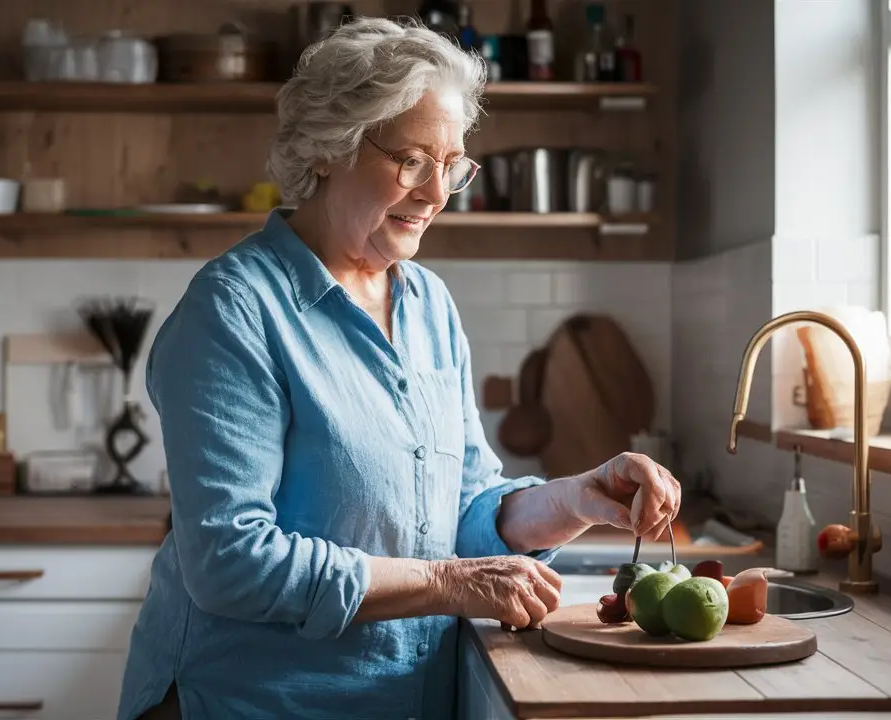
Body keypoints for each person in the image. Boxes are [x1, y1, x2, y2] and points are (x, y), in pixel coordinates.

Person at [116, 16, 681, 720]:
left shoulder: (430, 306)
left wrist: (576, 500)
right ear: (329, 148)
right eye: (412, 160)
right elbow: (231, 562)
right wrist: (448, 584)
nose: (437, 192)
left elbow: (465, 508)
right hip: (250, 701)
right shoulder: (234, 310)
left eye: (452, 165)